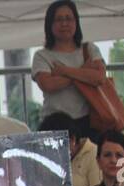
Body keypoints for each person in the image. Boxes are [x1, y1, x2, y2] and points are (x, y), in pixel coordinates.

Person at [31, 1, 106, 135]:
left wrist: (64, 71)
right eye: (59, 19)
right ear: (50, 24)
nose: (64, 23)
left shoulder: (89, 49)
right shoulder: (41, 56)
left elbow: (99, 77)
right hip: (54, 123)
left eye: (69, 18)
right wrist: (83, 71)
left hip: (88, 122)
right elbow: (48, 84)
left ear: (76, 22)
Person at [40, 111, 102, 186]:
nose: (53, 151)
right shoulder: (50, 158)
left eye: (56, 145)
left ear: (72, 139)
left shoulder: (93, 154)